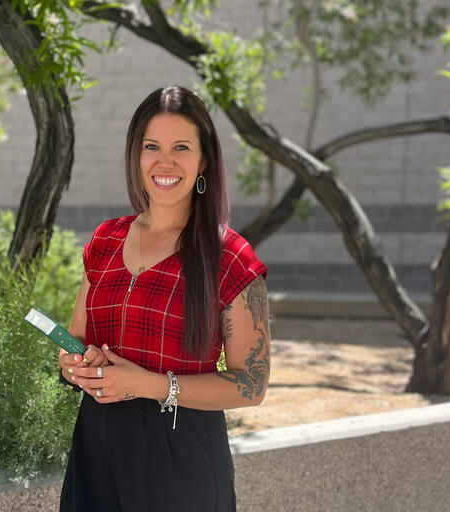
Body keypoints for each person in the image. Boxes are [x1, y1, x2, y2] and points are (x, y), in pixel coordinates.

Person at [57, 85, 270, 512]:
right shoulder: (104, 241)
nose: (164, 161)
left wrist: (150, 386)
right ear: (136, 155)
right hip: (95, 450)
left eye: (181, 147)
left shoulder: (231, 258)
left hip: (182, 458)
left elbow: (252, 386)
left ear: (204, 159)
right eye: (152, 146)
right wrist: (75, 366)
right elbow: (75, 343)